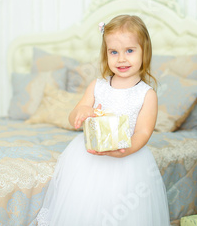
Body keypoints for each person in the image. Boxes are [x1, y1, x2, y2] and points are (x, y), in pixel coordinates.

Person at [35, 15, 170, 226]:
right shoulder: (97, 86)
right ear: (105, 54)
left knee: (123, 209)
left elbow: (143, 132)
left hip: (128, 156)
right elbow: (74, 116)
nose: (121, 59)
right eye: (113, 52)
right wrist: (82, 111)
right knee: (85, 205)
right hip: (89, 154)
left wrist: (125, 149)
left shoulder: (146, 94)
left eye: (130, 51)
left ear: (145, 52)